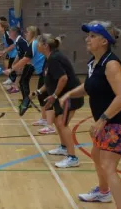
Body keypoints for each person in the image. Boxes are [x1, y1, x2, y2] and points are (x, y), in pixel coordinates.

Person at [60, 20, 121, 209]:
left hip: (118, 122)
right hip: (106, 122)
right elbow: (90, 86)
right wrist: (69, 93)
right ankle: (103, 191)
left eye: (92, 36)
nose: (88, 38)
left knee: (110, 167)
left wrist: (102, 120)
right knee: (96, 155)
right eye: (88, 35)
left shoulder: (111, 64)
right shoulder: (95, 63)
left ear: (104, 40)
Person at [34, 33, 84, 168]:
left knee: (62, 123)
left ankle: (73, 158)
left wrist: (54, 95)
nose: (36, 46)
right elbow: (50, 80)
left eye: (37, 43)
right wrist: (38, 91)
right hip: (63, 97)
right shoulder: (49, 57)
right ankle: (63, 147)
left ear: (45, 46)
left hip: (70, 97)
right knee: (57, 121)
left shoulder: (54, 59)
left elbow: (63, 78)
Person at [0, 17, 17, 86]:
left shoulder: (7, 34)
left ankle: (12, 82)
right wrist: (2, 50)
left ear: (3, 27)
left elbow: (13, 45)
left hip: (15, 52)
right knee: (10, 66)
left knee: (11, 66)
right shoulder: (4, 34)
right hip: (11, 53)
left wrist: (3, 52)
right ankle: (11, 80)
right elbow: (7, 43)